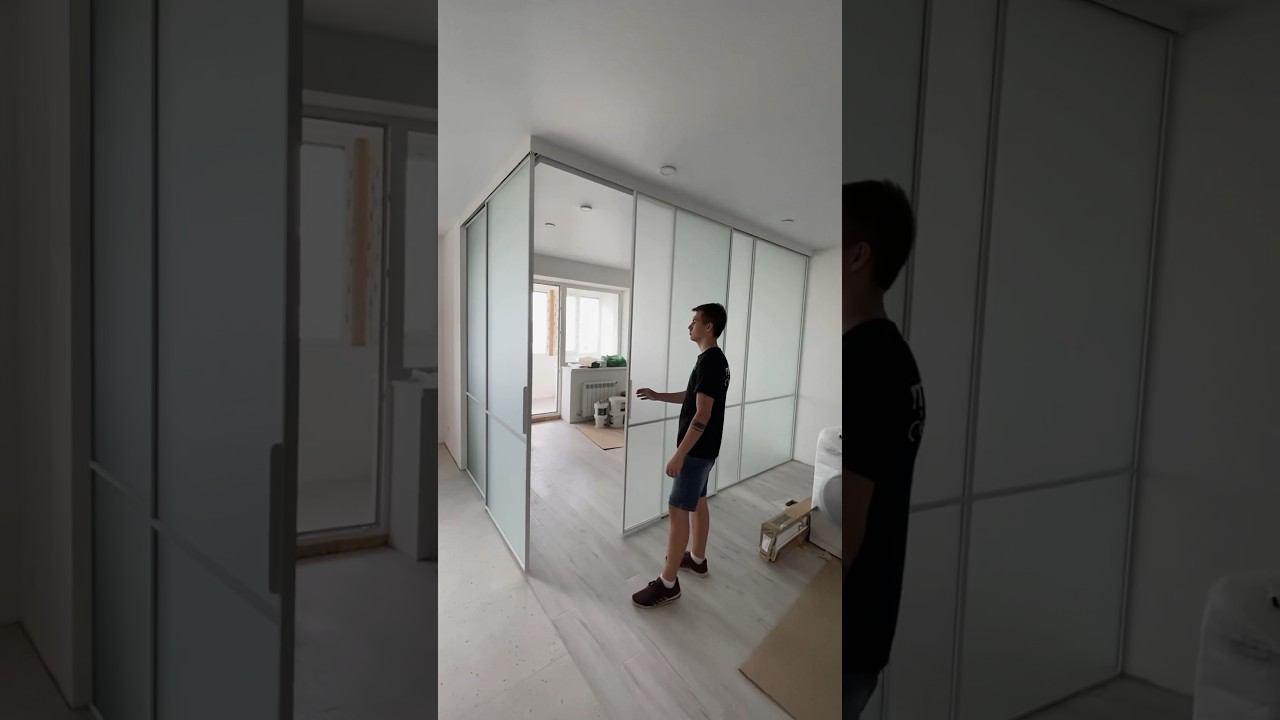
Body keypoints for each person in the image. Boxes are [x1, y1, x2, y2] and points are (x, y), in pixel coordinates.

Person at [843, 180, 926, 716]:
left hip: (848, 629)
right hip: (872, 617)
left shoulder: (864, 363)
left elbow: (850, 528)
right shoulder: (896, 355)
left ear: (857, 256)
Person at [630, 303, 730, 608]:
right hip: (706, 449)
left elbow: (702, 413)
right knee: (698, 502)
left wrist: (679, 455)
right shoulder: (713, 360)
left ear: (708, 327)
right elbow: (694, 397)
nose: (690, 326)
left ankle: (668, 583)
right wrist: (659, 395)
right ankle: (697, 560)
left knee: (677, 510)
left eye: (694, 321)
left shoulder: (710, 361)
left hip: (696, 451)